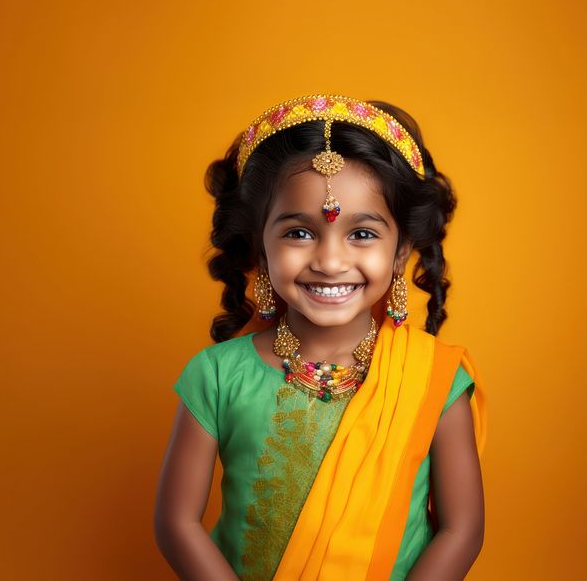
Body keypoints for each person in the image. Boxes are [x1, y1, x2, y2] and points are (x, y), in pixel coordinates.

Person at [154, 94, 487, 581]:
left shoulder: (435, 381)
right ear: (259, 247)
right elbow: (176, 523)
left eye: (363, 234)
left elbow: (463, 529)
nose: (330, 261)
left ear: (401, 253)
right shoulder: (219, 374)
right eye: (299, 233)